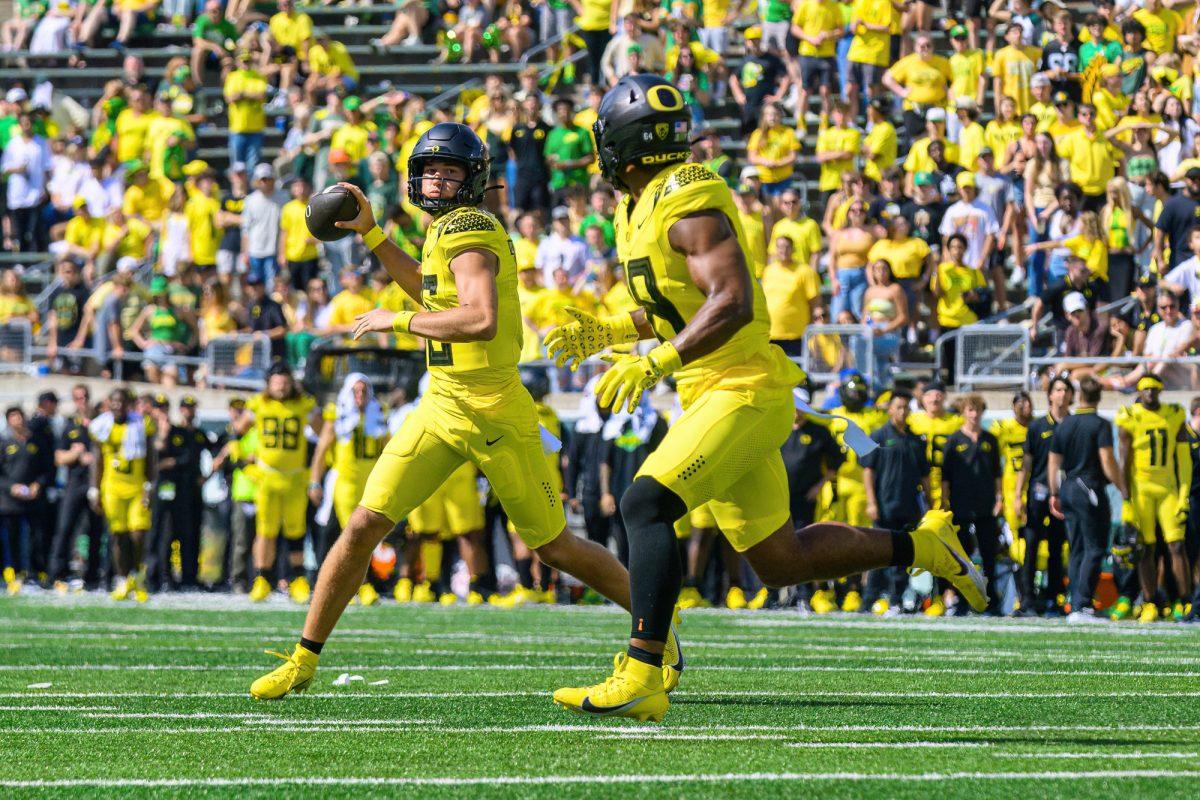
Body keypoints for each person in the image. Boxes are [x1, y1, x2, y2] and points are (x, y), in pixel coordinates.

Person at [546, 75, 985, 722]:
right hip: (709, 392)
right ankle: (924, 546)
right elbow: (681, 306)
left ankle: (643, 669)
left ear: (625, 146)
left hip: (743, 388)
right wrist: (611, 330)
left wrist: (658, 361)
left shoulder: (685, 198)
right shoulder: (638, 206)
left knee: (644, 504)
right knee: (781, 560)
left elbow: (732, 301)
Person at [249, 122, 653, 701]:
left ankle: (659, 629)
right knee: (364, 523)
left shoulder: (468, 228)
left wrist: (399, 321)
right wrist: (372, 235)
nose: (436, 180)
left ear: (472, 179)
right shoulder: (444, 230)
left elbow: (479, 318)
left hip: (494, 407)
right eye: (429, 170)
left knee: (555, 545)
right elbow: (430, 289)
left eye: (450, 171)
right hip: (442, 401)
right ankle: (303, 659)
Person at [232, 362, 317, 604]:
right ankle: (262, 578)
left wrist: (314, 469)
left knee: (296, 531)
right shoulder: (259, 403)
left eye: (285, 381)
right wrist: (241, 461)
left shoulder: (303, 404)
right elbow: (237, 432)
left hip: (294, 477)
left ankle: (298, 579)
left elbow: (323, 433)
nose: (281, 386)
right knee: (265, 531)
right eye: (277, 382)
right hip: (267, 477)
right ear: (269, 383)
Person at [1048, 376, 1128, 622]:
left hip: (1069, 487)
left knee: (1077, 549)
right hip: (1089, 488)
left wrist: (1054, 493)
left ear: (1078, 395)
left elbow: (1054, 462)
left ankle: (1077, 602)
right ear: (1099, 397)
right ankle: (1083, 604)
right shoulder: (1100, 425)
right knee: (1094, 547)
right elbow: (1107, 460)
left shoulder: (1065, 424)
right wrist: (1122, 487)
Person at [1116, 374, 1192, 622]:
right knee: (1145, 547)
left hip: (1167, 487)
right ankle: (1149, 602)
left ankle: (1185, 601)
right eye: (1145, 388)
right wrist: (1126, 499)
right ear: (1139, 391)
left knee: (1177, 546)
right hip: (1142, 488)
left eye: (1154, 388)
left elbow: (1183, 459)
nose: (1149, 393)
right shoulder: (1131, 416)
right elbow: (1124, 462)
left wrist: (1183, 494)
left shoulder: (1173, 414)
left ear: (1160, 390)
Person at [308, 373, 388, 606]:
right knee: (353, 536)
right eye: (356, 391)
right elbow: (322, 449)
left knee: (368, 537)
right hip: (345, 483)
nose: (360, 396)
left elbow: (389, 449)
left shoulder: (378, 413)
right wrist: (314, 480)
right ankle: (357, 586)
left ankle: (362, 585)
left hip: (371, 483)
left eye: (364, 390)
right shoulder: (338, 415)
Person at [860, 390, 929, 616]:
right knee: (878, 555)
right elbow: (868, 471)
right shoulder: (878, 436)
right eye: (898, 407)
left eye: (906, 407)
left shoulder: (915, 439)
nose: (902, 411)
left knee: (903, 556)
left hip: (908, 507)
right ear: (890, 409)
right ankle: (868, 601)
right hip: (884, 505)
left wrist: (930, 500)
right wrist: (871, 502)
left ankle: (897, 600)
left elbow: (924, 475)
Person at [89, 387, 155, 603]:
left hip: (136, 487)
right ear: (110, 403)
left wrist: (150, 485)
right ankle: (122, 579)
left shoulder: (142, 424)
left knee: (138, 534)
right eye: (114, 402)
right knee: (118, 535)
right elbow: (97, 460)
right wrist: (94, 488)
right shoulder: (101, 425)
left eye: (122, 402)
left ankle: (137, 576)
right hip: (113, 487)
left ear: (129, 404)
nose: (118, 406)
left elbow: (151, 458)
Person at [1013, 375, 1072, 617]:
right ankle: (1027, 598)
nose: (1061, 394)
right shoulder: (1037, 426)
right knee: (1032, 544)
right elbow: (1026, 463)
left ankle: (1054, 597)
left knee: (1058, 546)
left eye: (1065, 390)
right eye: (1057, 389)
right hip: (1038, 491)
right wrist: (1018, 495)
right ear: (1050, 395)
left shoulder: (1072, 424)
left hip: (1064, 494)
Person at [941, 395, 1005, 616]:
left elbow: (997, 472)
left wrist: (999, 498)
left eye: (977, 410)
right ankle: (960, 599)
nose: (974, 414)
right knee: (961, 554)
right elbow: (945, 476)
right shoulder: (954, 440)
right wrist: (944, 501)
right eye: (970, 409)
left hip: (985, 504)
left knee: (989, 553)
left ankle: (991, 601)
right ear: (963, 412)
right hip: (961, 504)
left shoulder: (990, 439)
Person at [146, 394, 210, 593]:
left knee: (178, 532)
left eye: (165, 407)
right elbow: (155, 458)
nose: (162, 411)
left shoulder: (178, 431)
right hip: (157, 489)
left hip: (177, 490)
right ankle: (155, 576)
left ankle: (180, 577)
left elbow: (184, 458)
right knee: (158, 532)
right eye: (158, 407)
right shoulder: (150, 430)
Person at [48, 385, 102, 592]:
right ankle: (56, 573)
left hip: (95, 484)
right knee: (65, 528)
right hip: (75, 483)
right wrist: (75, 455)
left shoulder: (99, 424)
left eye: (85, 397)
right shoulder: (70, 426)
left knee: (96, 531)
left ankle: (94, 576)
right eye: (78, 398)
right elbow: (59, 458)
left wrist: (93, 459)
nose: (82, 401)